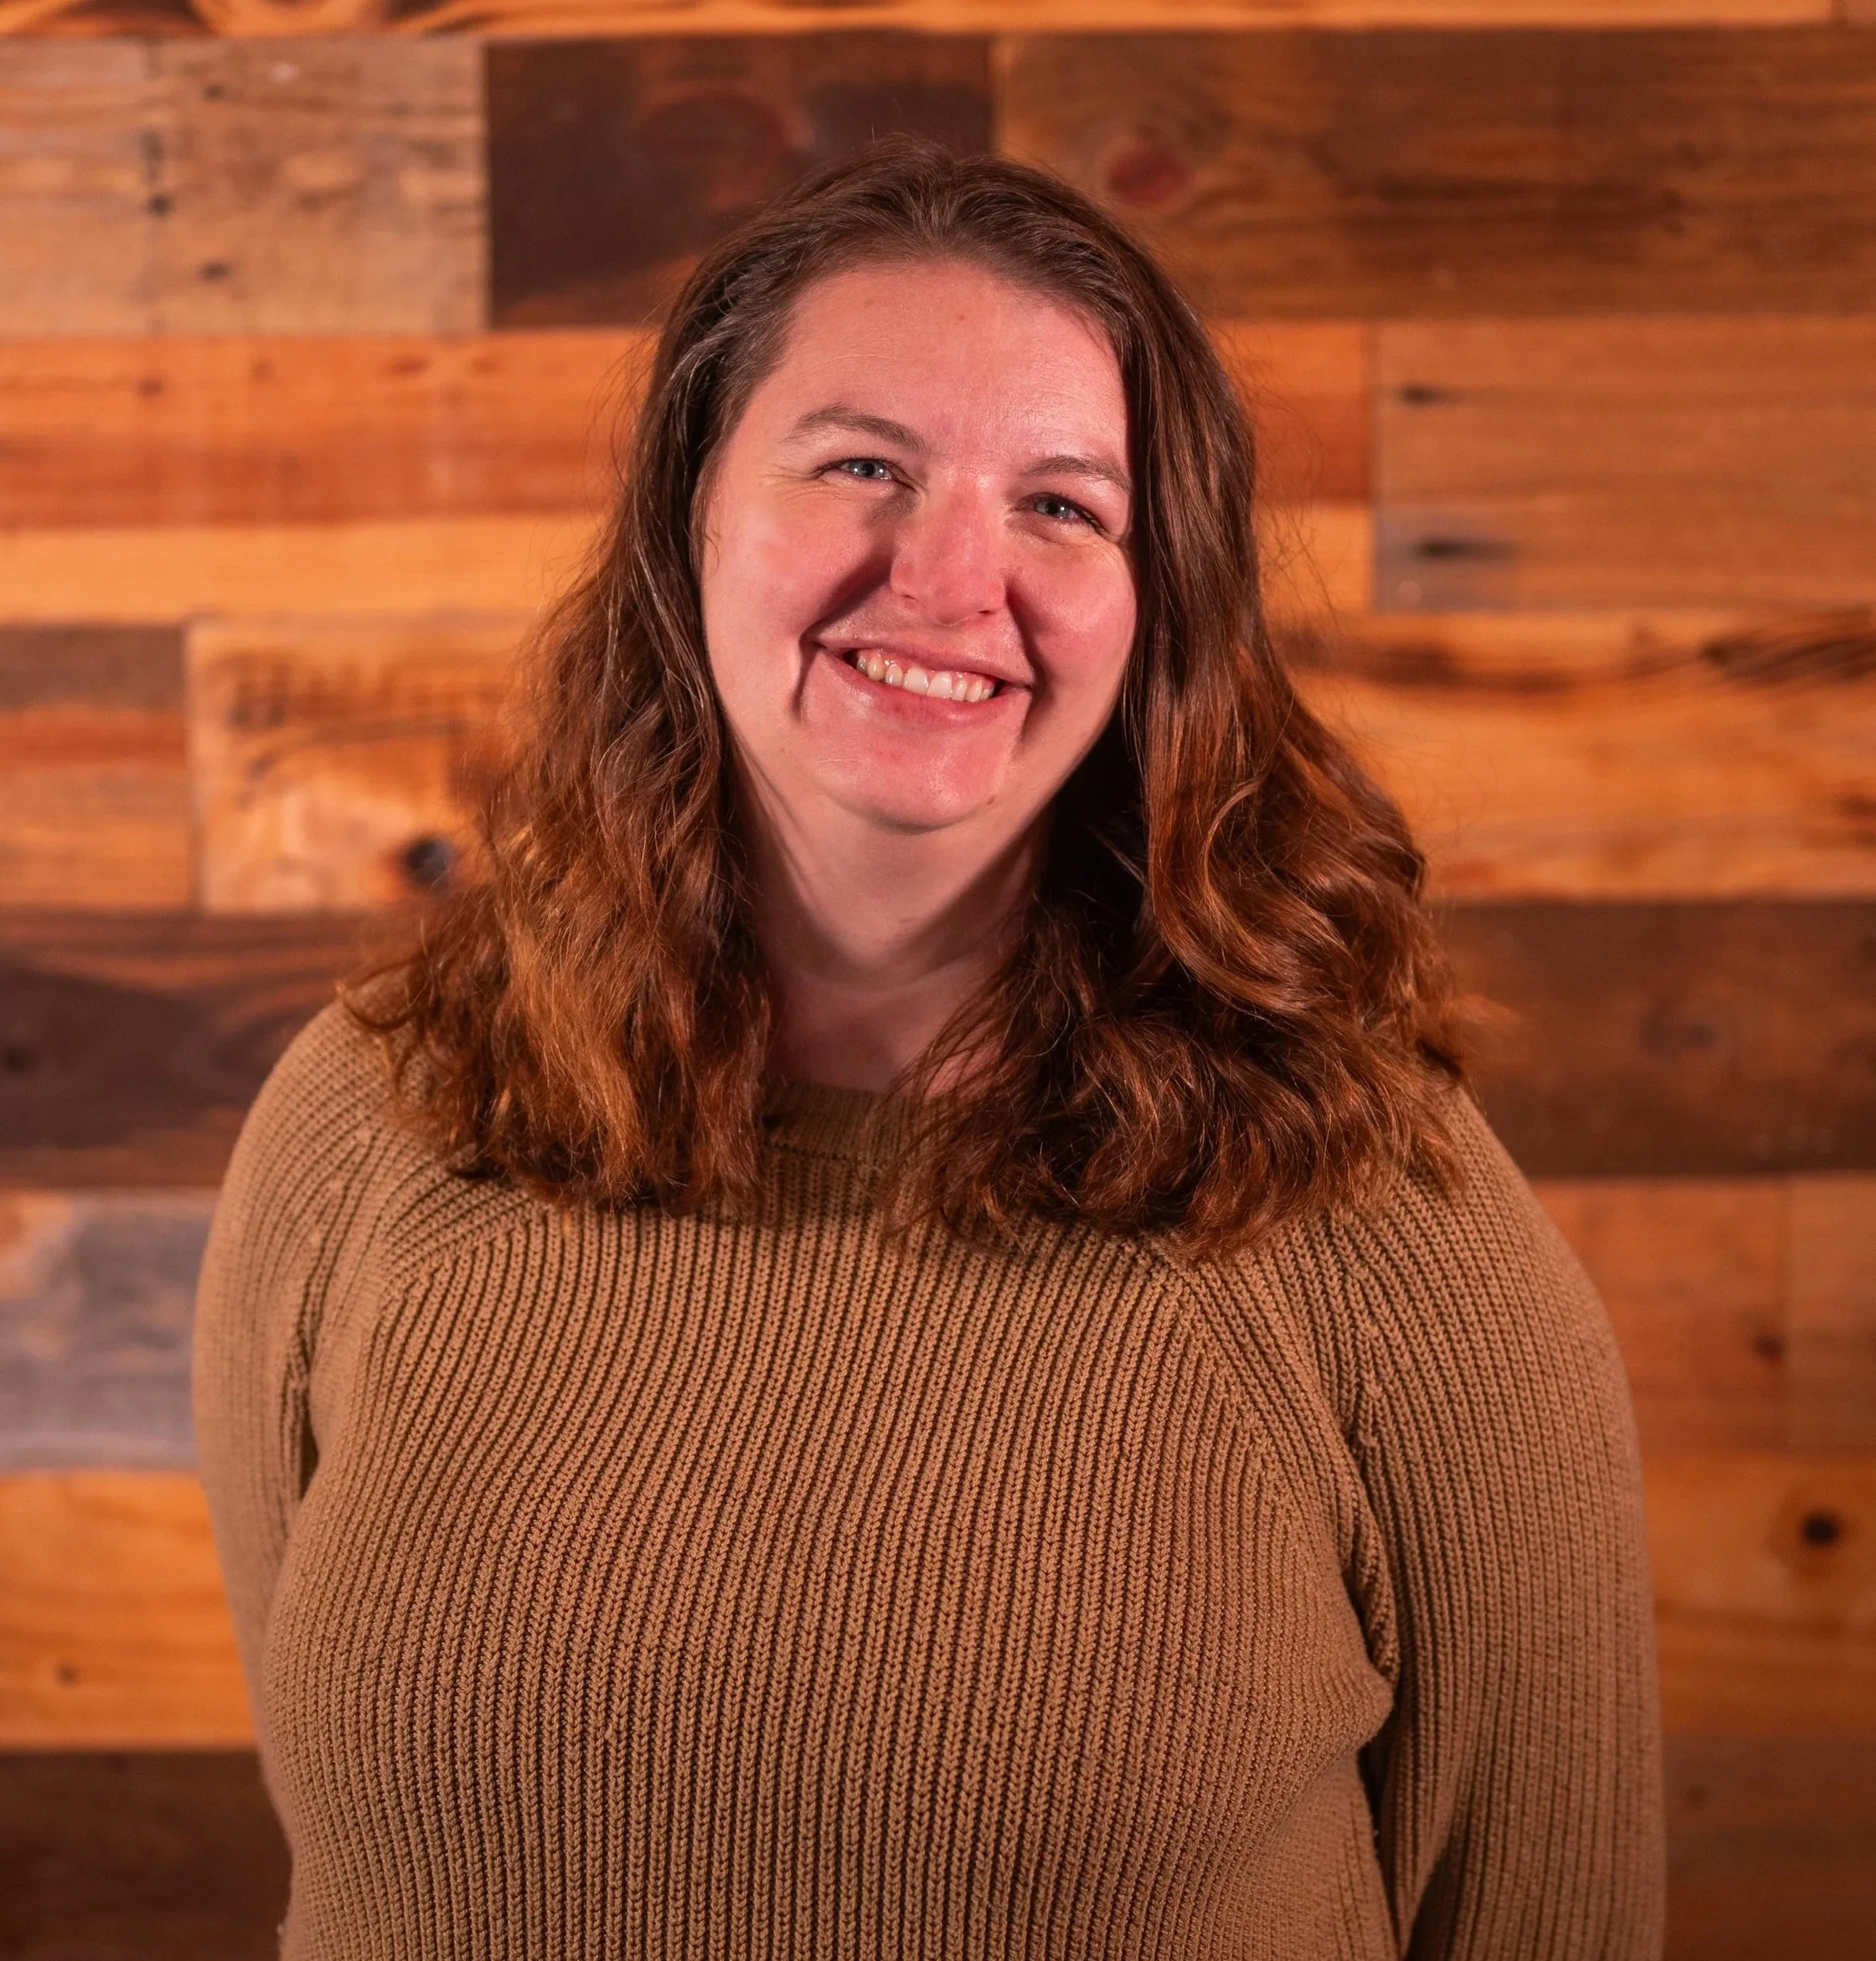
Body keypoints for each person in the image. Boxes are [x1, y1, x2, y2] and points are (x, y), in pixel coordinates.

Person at [194, 140, 1664, 1959]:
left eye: (1062, 506)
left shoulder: (1385, 1237)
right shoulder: (378, 1125)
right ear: (690, 517)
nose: (949, 575)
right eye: (863, 466)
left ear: (1159, 608)